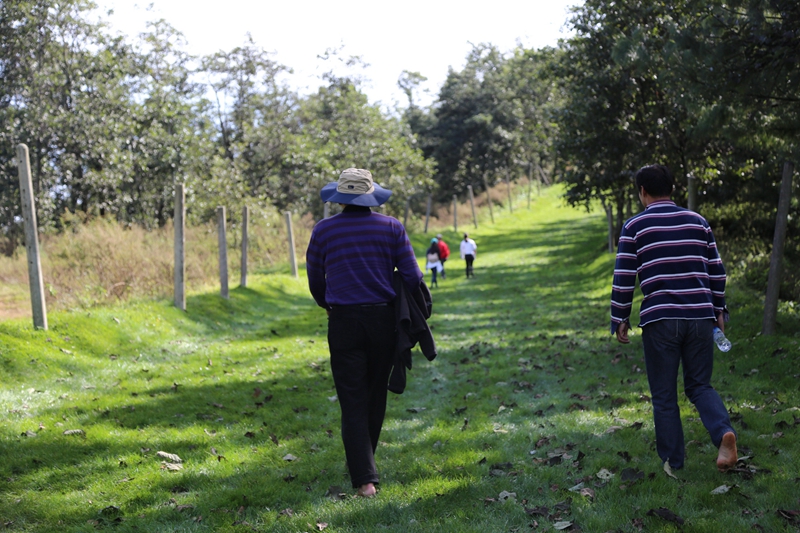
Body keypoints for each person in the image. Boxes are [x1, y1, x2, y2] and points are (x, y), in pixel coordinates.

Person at [610, 164, 737, 473]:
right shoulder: (698, 222)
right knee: (700, 385)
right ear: (672, 189)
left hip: (660, 319)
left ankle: (673, 463)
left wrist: (620, 316)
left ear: (642, 191)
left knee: (664, 396)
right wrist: (719, 310)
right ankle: (723, 433)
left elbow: (624, 275)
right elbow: (717, 272)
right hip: (700, 316)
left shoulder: (634, 226)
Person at [306, 168, 424, 497]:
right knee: (374, 394)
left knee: (352, 398)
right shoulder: (392, 227)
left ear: (340, 197)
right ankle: (364, 469)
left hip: (343, 321)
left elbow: (315, 278)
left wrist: (326, 303)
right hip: (383, 321)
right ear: (371, 196)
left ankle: (364, 477)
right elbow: (414, 276)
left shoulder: (323, 230)